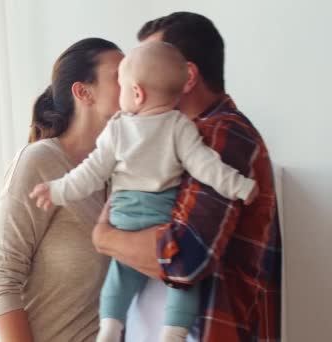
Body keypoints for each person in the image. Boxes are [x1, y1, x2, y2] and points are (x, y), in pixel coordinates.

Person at [30, 41, 258, 342]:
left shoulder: (118, 128)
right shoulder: (180, 126)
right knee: (184, 285)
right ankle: (173, 333)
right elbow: (207, 167)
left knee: (118, 278)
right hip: (163, 217)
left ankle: (110, 326)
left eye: (121, 85)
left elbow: (89, 174)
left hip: (124, 215)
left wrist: (56, 190)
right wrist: (240, 186)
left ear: (136, 93)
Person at [91, 12, 282, 342]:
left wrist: (103, 237)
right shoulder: (163, 140)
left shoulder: (223, 135)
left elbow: (185, 260)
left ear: (188, 76)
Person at [0, 38, 124, 342]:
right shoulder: (40, 163)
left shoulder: (120, 172)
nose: (133, 82)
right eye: (119, 75)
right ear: (83, 91)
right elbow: (1, 279)